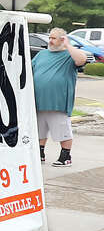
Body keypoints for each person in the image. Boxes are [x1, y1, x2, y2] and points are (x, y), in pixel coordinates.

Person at [31, 26, 87, 166]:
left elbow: (82, 60)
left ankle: (65, 157)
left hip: (58, 102)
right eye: (49, 37)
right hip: (39, 101)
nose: (50, 40)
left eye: (53, 38)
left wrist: (68, 45)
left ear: (62, 39)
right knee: (39, 129)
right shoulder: (42, 54)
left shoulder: (69, 55)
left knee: (62, 130)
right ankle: (40, 153)